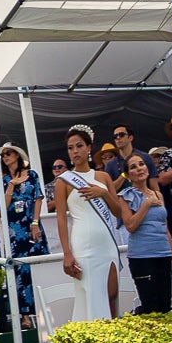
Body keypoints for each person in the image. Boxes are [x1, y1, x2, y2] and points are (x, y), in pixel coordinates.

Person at [56, 126, 124, 324]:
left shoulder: (103, 177)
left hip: (107, 244)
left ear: (89, 148)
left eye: (79, 146)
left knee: (111, 295)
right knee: (91, 296)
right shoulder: (64, 181)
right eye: (70, 148)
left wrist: (103, 193)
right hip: (83, 245)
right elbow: (61, 218)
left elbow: (118, 212)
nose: (75, 151)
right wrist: (67, 253)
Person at [117, 155, 172, 314]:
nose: (139, 168)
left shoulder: (158, 195)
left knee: (165, 306)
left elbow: (165, 228)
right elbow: (130, 226)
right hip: (142, 257)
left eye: (141, 164)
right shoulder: (125, 196)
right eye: (133, 167)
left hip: (163, 254)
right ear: (128, 175)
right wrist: (147, 204)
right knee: (151, 308)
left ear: (148, 169)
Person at [0, 143, 46, 327]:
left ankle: (44, 309)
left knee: (38, 264)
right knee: (20, 270)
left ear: (17, 155)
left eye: (8, 153)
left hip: (31, 223)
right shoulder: (4, 181)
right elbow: (3, 205)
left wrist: (35, 223)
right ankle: (25, 316)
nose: (5, 157)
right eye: (3, 155)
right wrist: (11, 184)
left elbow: (38, 198)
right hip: (14, 229)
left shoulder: (32, 174)